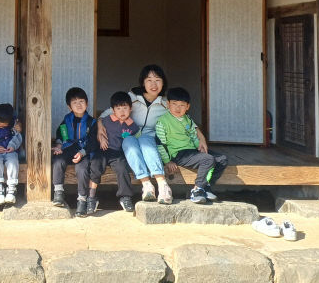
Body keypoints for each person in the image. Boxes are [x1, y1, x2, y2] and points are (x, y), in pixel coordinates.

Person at [102, 64, 172, 204]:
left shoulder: (166, 104)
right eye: (149, 80)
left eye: (157, 80)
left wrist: (200, 137)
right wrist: (99, 129)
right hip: (130, 136)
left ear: (163, 82)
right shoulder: (131, 98)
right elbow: (105, 115)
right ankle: (146, 185)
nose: (153, 84)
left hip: (150, 138)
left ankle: (163, 185)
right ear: (143, 82)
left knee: (146, 141)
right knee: (128, 142)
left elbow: (182, 119)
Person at [156, 87, 228, 204]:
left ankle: (206, 186)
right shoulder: (162, 121)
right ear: (168, 104)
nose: (178, 108)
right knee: (208, 159)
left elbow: (193, 135)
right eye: (174, 104)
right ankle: (197, 190)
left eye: (182, 105)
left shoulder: (187, 119)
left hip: (192, 151)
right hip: (178, 154)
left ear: (188, 106)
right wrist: (167, 161)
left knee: (222, 159)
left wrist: (199, 147)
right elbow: (160, 144)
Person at [51, 87, 96, 217]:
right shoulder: (67, 119)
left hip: (84, 150)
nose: (78, 105)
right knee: (58, 160)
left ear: (87, 103)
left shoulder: (91, 122)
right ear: (69, 106)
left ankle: (82, 200)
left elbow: (93, 142)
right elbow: (60, 133)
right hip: (69, 147)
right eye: (74, 102)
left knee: (82, 169)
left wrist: (82, 153)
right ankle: (58, 192)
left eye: (81, 101)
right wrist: (59, 145)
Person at [89, 91, 136, 214]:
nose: (122, 111)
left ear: (130, 109)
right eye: (118, 108)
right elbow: (95, 134)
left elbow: (136, 140)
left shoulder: (133, 126)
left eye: (125, 108)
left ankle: (125, 197)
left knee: (122, 168)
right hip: (104, 151)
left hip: (119, 153)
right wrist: (100, 140)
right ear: (113, 110)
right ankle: (91, 196)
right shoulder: (105, 120)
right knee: (95, 165)